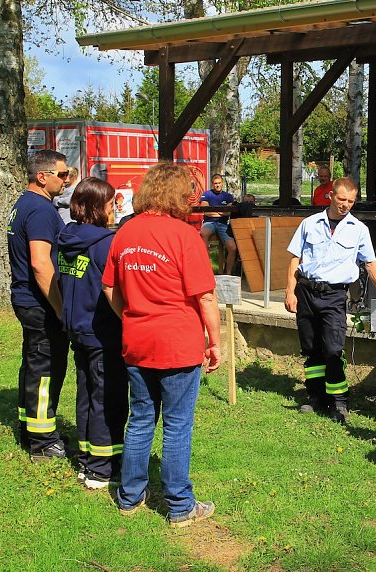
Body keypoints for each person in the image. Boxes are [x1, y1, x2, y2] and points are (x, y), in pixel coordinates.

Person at [102, 162, 221, 527]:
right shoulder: (184, 236)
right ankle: (180, 505)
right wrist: (215, 341)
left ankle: (130, 496)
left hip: (138, 340)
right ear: (178, 194)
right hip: (177, 342)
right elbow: (205, 297)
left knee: (140, 419)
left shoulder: (125, 232)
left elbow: (109, 287)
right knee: (177, 424)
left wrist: (131, 316)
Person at [285, 177, 376, 424]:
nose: (346, 205)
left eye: (351, 201)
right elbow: (294, 259)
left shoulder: (359, 229)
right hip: (307, 292)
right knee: (311, 350)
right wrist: (289, 292)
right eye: (342, 199)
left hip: (334, 296)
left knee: (333, 349)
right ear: (330, 196)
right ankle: (316, 397)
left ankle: (339, 401)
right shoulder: (309, 224)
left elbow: (370, 263)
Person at [57, 177, 128, 489]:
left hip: (76, 329)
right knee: (107, 399)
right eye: (112, 203)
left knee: (86, 394)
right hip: (102, 333)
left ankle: (87, 459)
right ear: (100, 207)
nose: (116, 209)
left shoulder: (66, 237)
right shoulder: (105, 243)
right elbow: (115, 287)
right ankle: (101, 468)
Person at [7, 150, 72, 461]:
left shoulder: (24, 203)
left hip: (26, 298)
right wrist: (60, 308)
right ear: (42, 176)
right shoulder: (42, 210)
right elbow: (40, 264)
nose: (66, 180)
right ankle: (43, 442)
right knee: (46, 369)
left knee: (33, 365)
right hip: (39, 303)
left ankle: (28, 426)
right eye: (62, 175)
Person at [200, 174, 237, 274]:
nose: (217, 185)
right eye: (215, 183)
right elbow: (206, 211)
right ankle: (204, 268)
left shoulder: (228, 196)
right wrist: (221, 212)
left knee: (232, 248)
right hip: (209, 222)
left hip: (223, 224)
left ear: (222, 183)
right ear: (212, 184)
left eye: (219, 183)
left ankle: (228, 273)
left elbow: (228, 212)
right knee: (203, 233)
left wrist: (215, 211)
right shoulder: (206, 194)